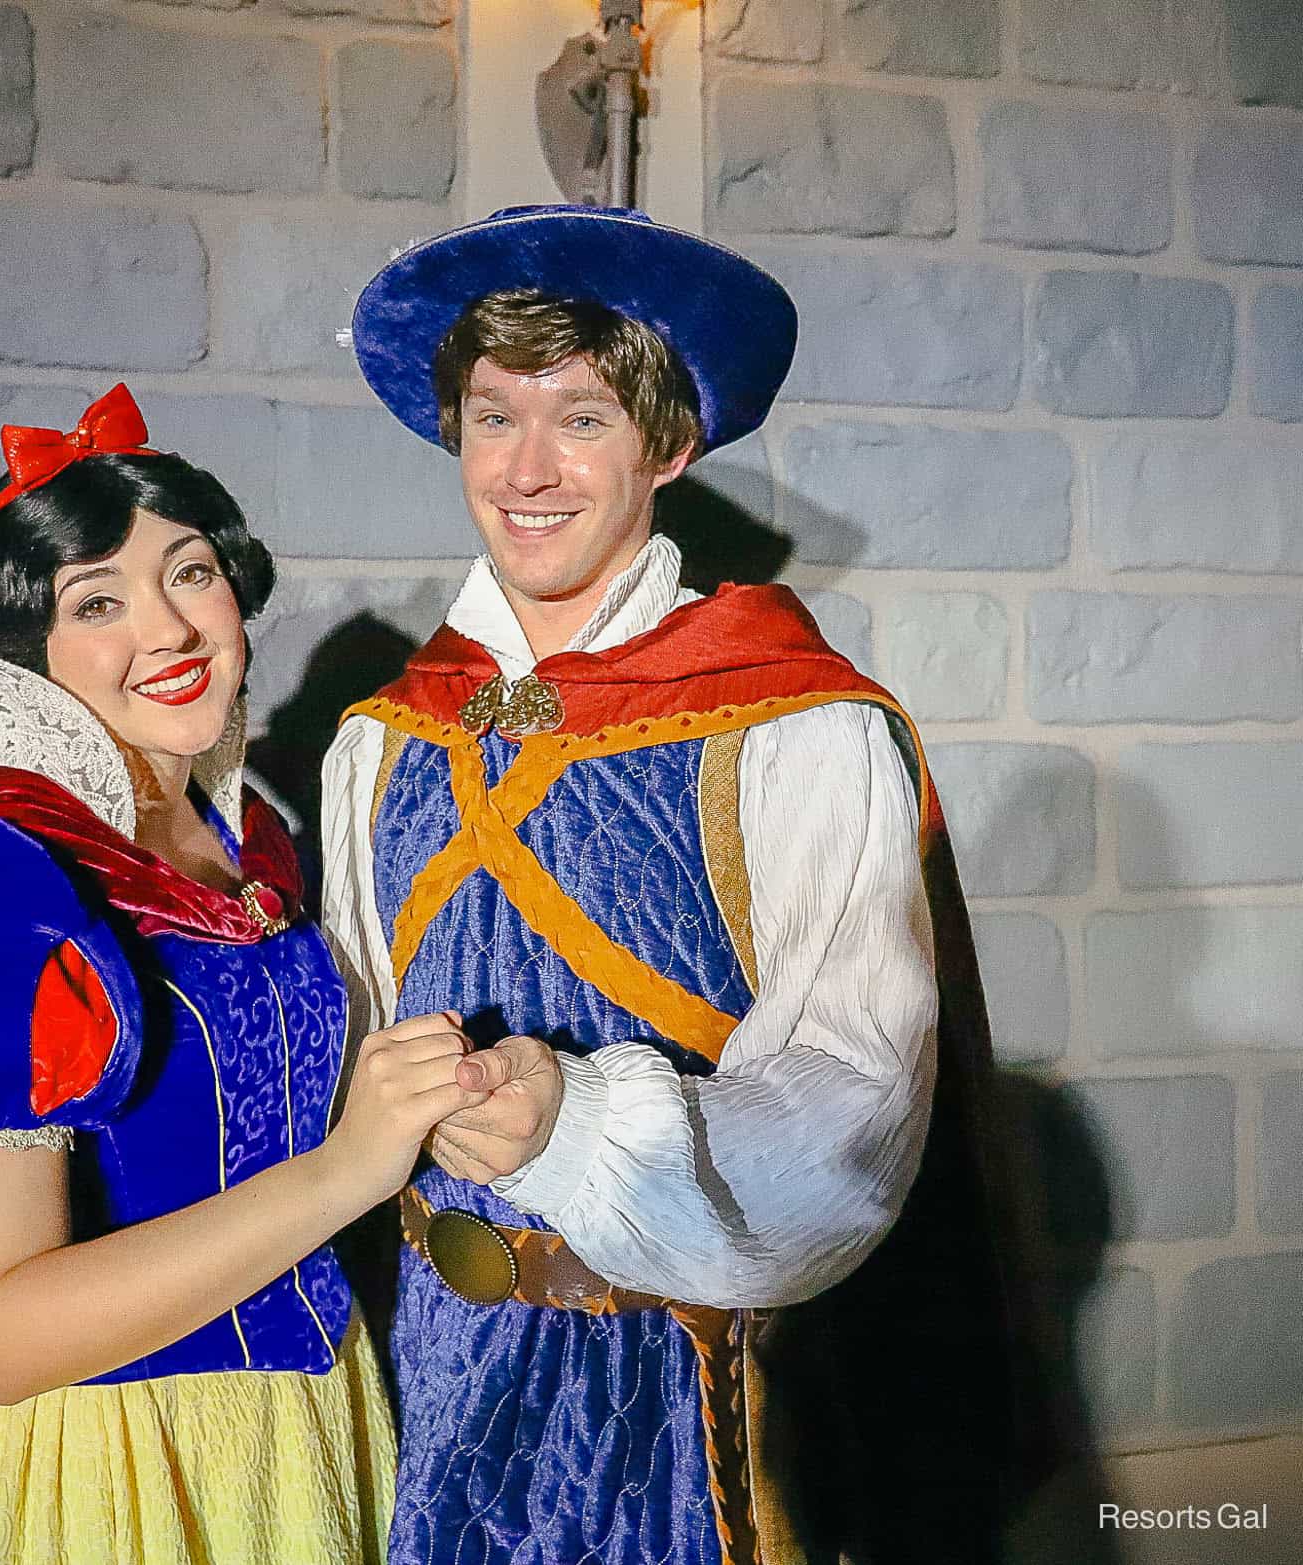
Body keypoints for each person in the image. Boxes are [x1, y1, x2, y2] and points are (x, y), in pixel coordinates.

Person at [323, 207, 1015, 1564]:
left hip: (681, 1395)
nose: (526, 468)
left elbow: (854, 1104)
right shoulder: (379, 741)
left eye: (580, 418)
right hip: (426, 1380)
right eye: (491, 416)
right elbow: (349, 1048)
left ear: (670, 445)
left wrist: (576, 1129)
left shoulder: (800, 728)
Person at [0, 385, 492, 1565]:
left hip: (306, 1433)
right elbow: (4, 1332)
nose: (167, 628)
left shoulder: (248, 836)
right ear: (27, 654)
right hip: (98, 1471)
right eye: (96, 600)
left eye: (192, 571)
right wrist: (351, 1168)